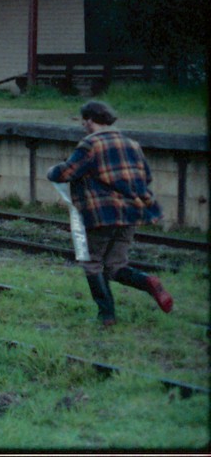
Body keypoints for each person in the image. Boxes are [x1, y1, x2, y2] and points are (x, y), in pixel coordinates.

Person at [47, 100, 174, 326]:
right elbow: (146, 178)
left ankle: (106, 316)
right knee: (116, 266)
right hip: (131, 213)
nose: (83, 126)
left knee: (92, 262)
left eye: (83, 122)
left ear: (89, 120)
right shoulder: (131, 144)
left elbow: (66, 173)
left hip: (101, 214)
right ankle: (149, 281)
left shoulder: (90, 144)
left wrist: (52, 170)